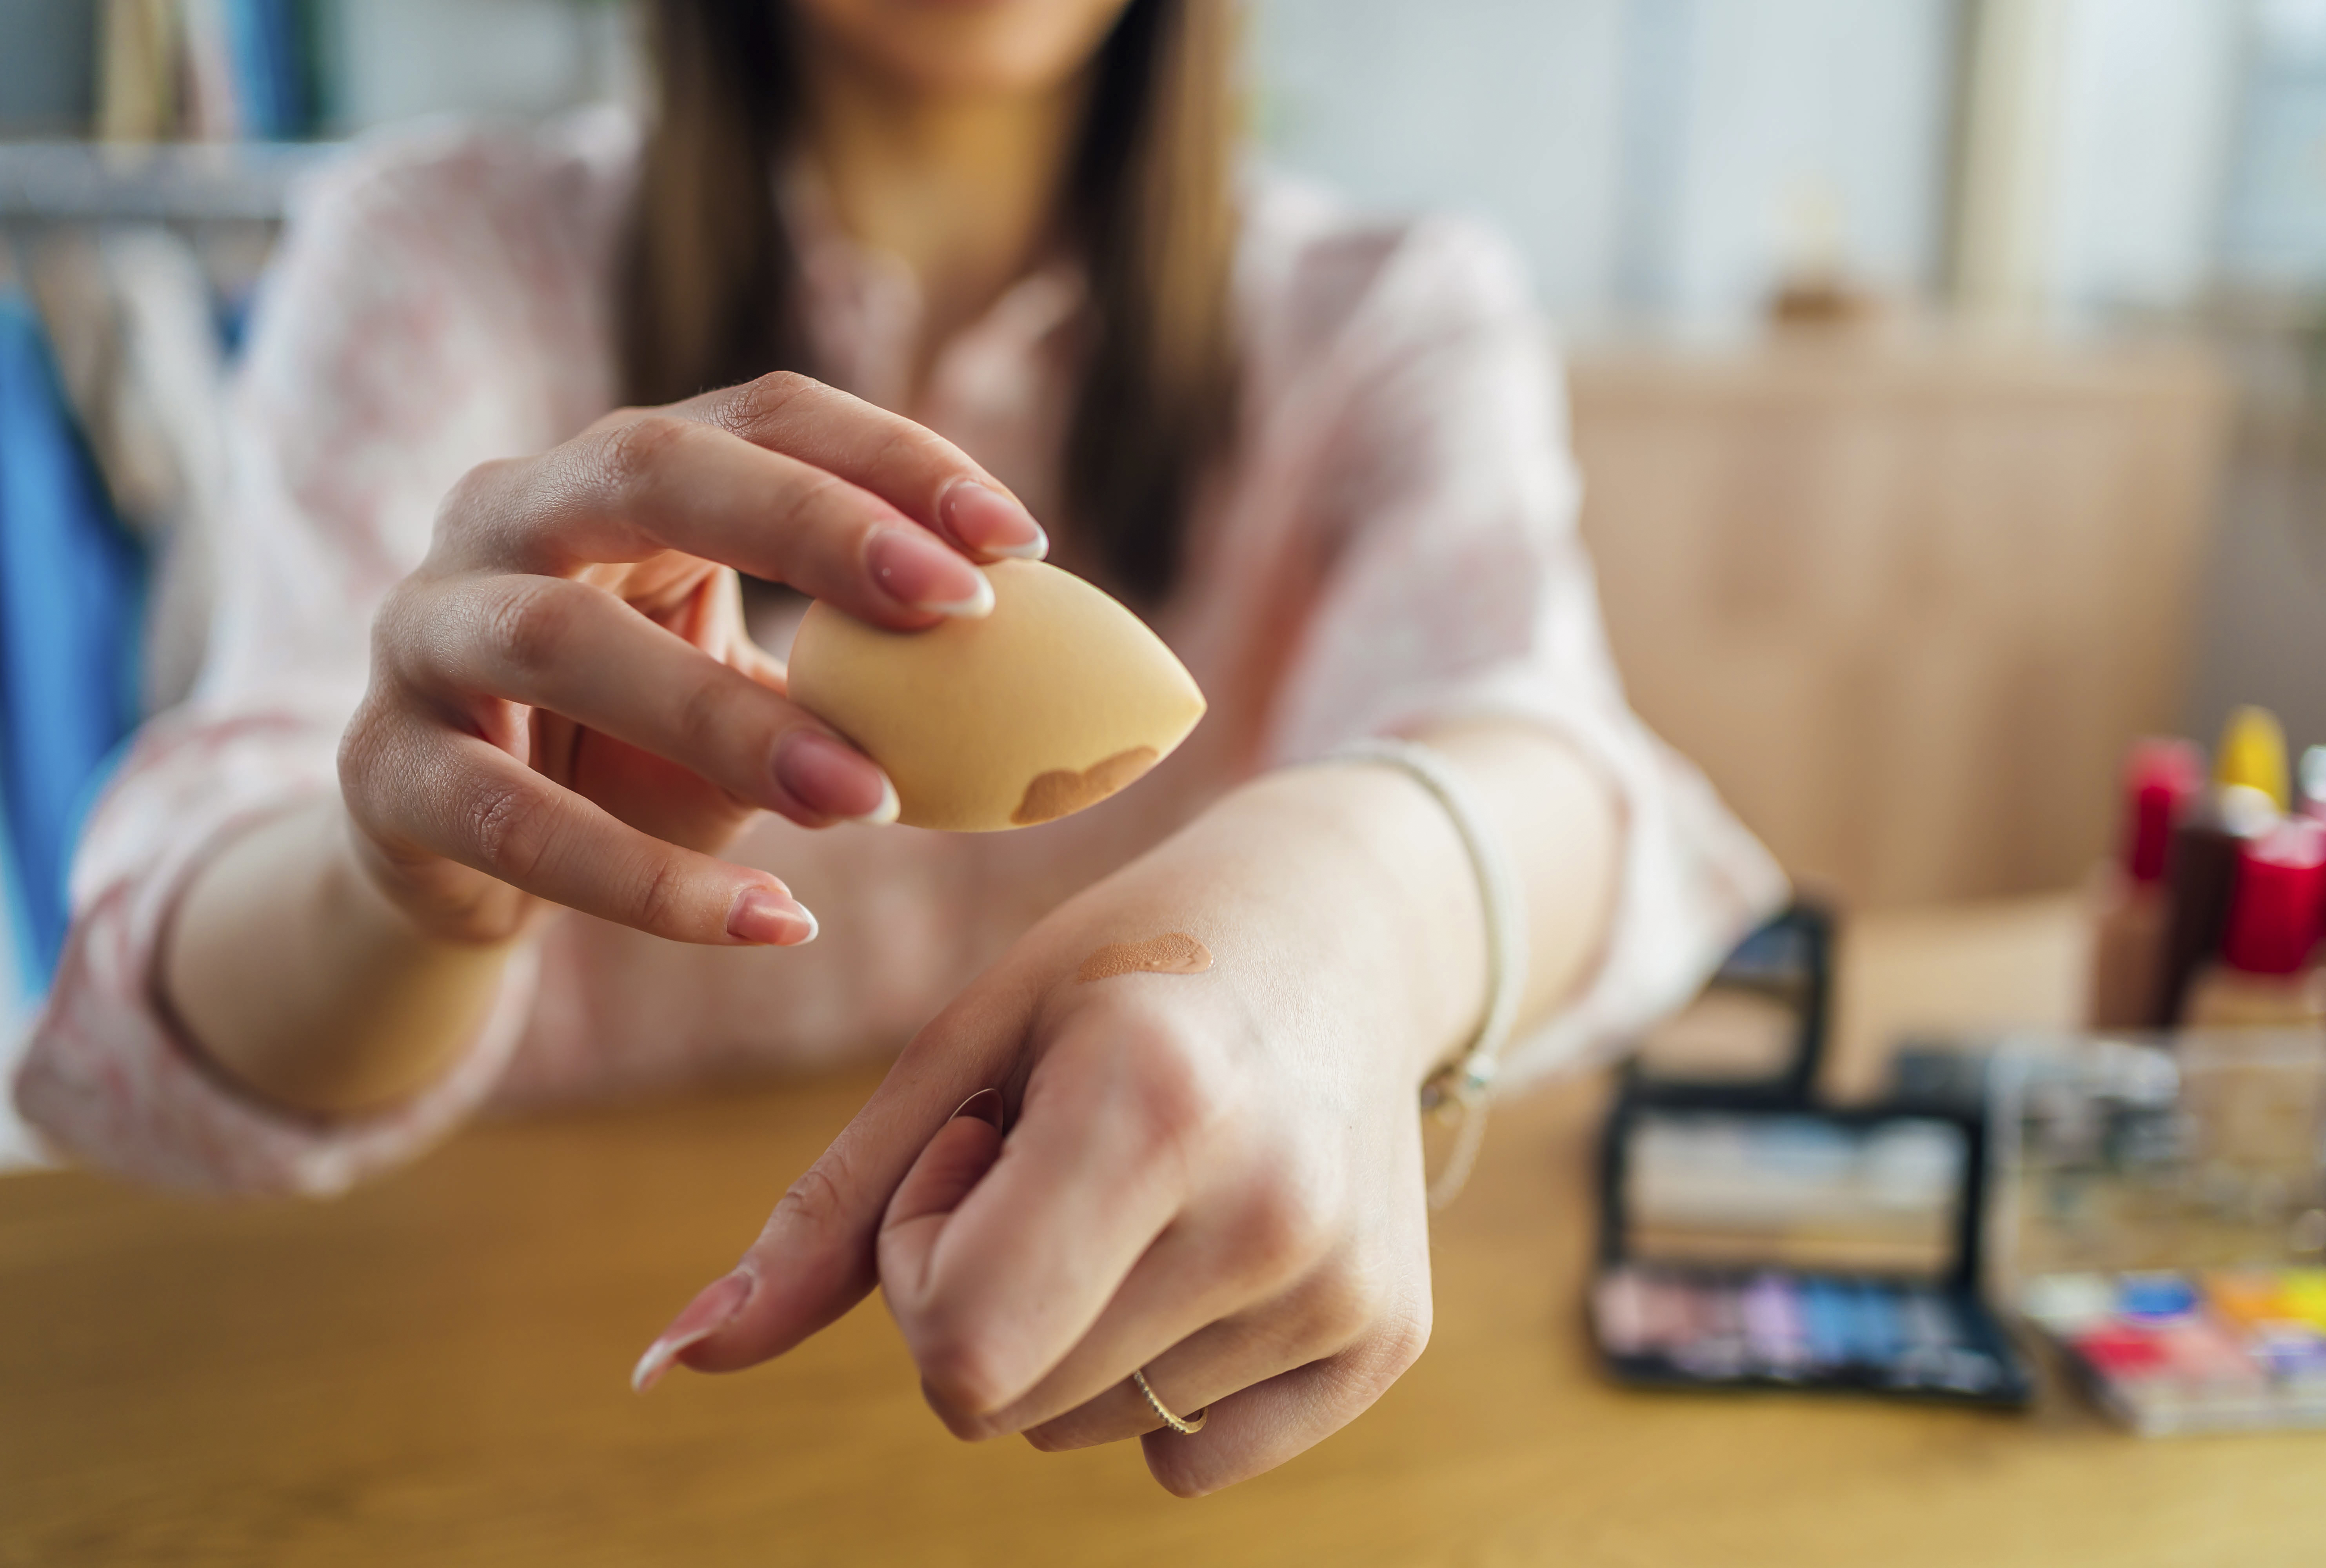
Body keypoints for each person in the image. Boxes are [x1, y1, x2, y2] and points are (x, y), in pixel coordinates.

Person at [13, 0, 1780, 1495]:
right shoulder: (438, 254)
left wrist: (1360, 901)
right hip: (507, 1444)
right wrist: (412, 874)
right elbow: (166, 1000)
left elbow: (1557, 761)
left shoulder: (1384, 313)